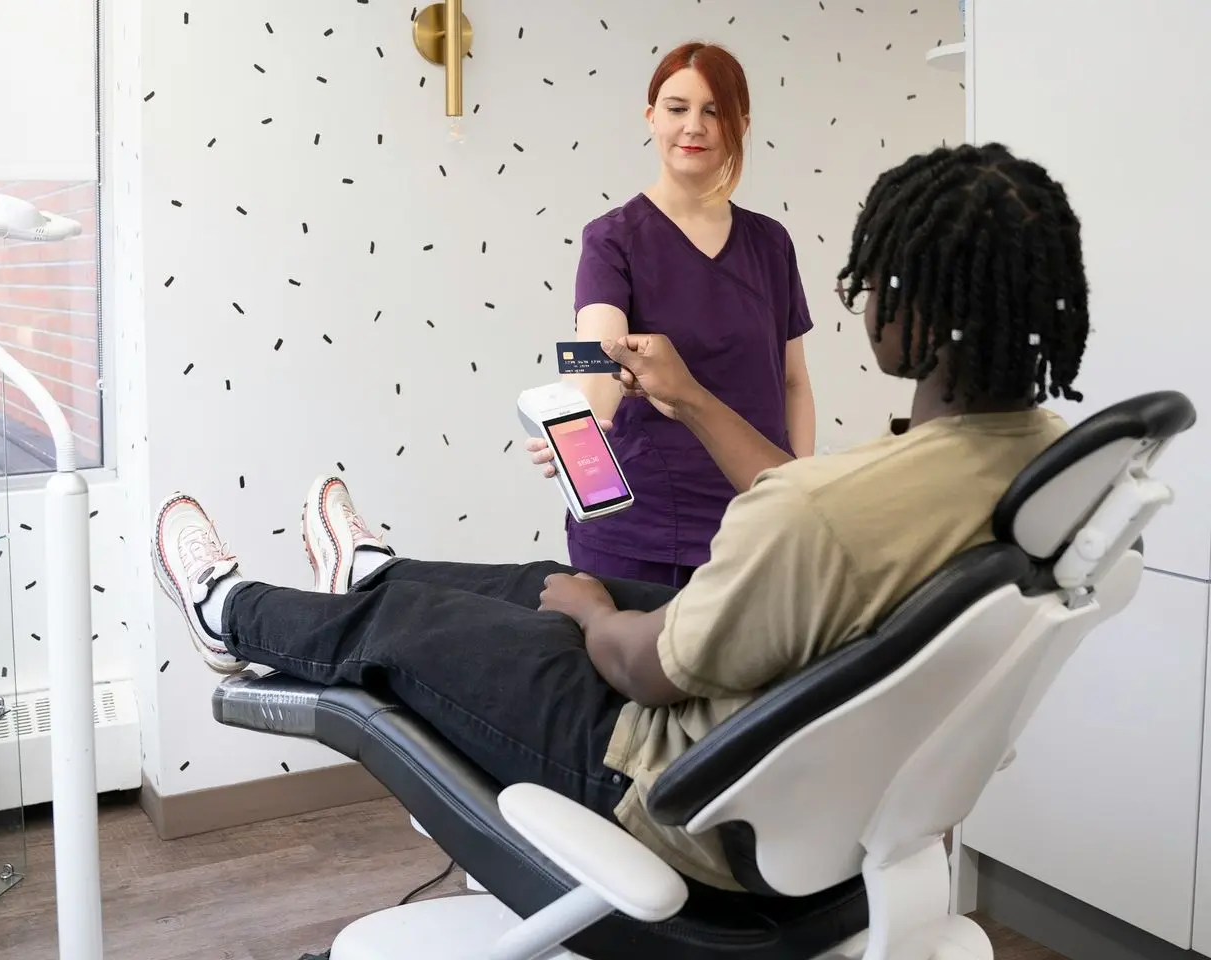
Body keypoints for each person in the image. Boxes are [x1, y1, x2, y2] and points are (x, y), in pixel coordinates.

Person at [153, 142, 1090, 893]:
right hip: (814, 783)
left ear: (915, 308)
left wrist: (595, 616)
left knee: (429, 626)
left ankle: (226, 607)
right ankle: (370, 571)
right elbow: (803, 497)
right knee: (526, 585)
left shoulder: (820, 515)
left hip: (673, 783)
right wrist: (681, 397)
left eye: (878, 279)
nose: (864, 301)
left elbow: (649, 663)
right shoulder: (1039, 461)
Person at [526, 41, 817, 589]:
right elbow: (598, 353)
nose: (694, 126)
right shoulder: (613, 239)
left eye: (713, 111)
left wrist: (799, 496)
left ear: (739, 124)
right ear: (651, 117)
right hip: (644, 534)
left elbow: (794, 383)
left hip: (757, 527)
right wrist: (580, 426)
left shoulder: (771, 244)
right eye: (677, 108)